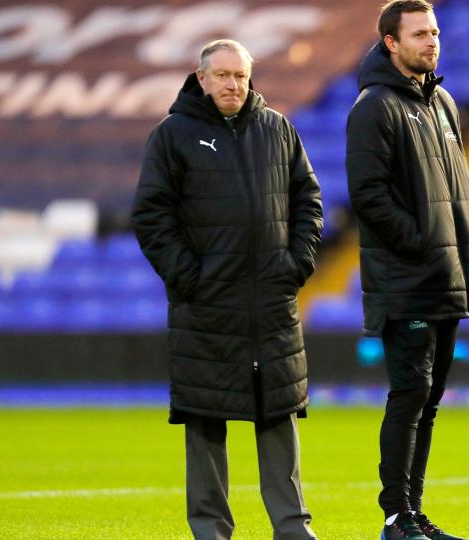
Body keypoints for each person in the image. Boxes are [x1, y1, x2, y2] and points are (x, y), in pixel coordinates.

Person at [133, 39, 322, 540]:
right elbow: (151, 217)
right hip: (206, 303)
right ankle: (211, 529)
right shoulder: (172, 135)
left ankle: (292, 526)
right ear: (201, 78)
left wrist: (297, 263)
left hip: (271, 302)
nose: (233, 84)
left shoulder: (277, 128)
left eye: (240, 75)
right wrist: (188, 277)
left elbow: (309, 199)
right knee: (204, 418)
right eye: (222, 75)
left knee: (278, 413)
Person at [345, 1, 469, 539]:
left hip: (447, 276)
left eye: (435, 31)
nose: (432, 41)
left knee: (428, 402)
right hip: (409, 278)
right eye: (420, 33)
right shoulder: (373, 106)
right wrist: (424, 245)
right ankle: (395, 516)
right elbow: (368, 195)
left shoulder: (442, 101)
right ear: (391, 43)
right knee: (410, 395)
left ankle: (414, 514)